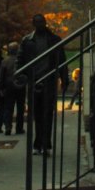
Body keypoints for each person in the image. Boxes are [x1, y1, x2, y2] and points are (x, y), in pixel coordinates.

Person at [18, 14, 68, 155]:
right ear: (33, 24)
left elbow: (62, 60)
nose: (40, 24)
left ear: (45, 23)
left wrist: (64, 78)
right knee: (37, 114)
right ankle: (38, 142)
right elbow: (20, 59)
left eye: (42, 22)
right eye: (37, 22)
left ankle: (45, 143)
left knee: (47, 113)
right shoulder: (27, 41)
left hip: (49, 81)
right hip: (34, 82)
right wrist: (20, 75)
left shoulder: (54, 40)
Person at [0, 41, 26, 135]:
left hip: (8, 87)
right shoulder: (22, 61)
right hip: (20, 86)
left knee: (8, 108)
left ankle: (8, 127)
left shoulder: (5, 61)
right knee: (20, 108)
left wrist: (1, 88)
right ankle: (19, 128)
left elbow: (1, 76)